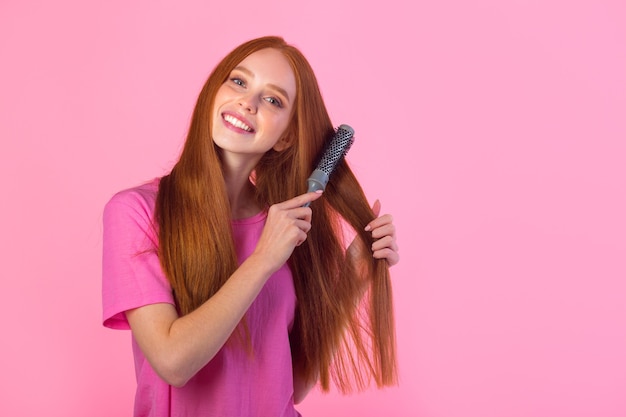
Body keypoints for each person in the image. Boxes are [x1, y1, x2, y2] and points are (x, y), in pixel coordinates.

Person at [102, 35, 399, 417]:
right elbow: (172, 361)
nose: (248, 101)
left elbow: (295, 384)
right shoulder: (137, 212)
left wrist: (354, 278)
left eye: (273, 99)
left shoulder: (288, 227)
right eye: (239, 81)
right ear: (215, 91)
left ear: (287, 136)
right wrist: (262, 261)